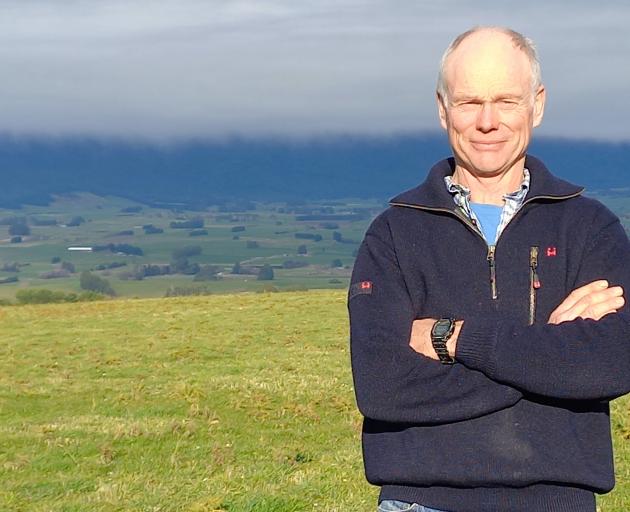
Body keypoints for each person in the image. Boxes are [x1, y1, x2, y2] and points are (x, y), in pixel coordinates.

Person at [348, 26, 630, 512]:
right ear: (442, 109)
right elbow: (382, 386)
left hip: (558, 503)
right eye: (468, 102)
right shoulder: (392, 234)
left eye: (506, 101)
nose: (487, 121)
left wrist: (456, 339)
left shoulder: (591, 228)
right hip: (419, 504)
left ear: (537, 104)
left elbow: (614, 361)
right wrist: (547, 349)